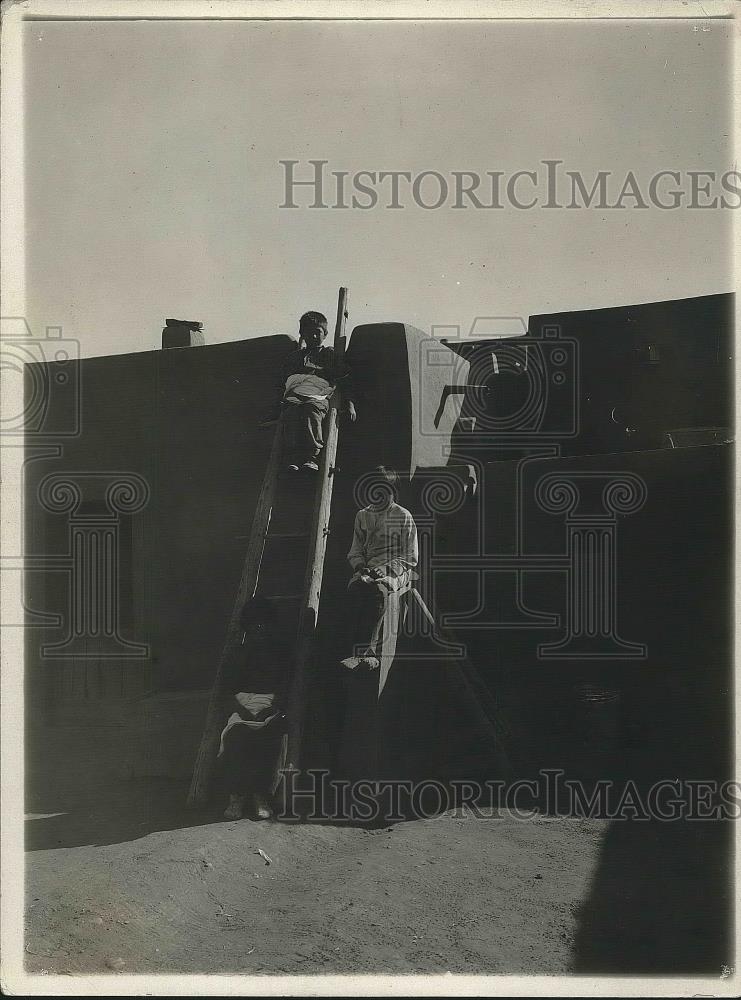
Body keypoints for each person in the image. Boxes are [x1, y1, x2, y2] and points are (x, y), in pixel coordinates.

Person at [218, 596, 290, 821]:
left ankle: (261, 796)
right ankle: (237, 796)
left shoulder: (281, 654)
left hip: (270, 707)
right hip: (242, 707)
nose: (259, 631)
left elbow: (285, 687)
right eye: (254, 626)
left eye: (264, 626)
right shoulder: (237, 654)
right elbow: (226, 691)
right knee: (237, 738)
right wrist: (242, 711)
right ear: (247, 628)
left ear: (271, 627)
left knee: (270, 738)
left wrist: (273, 708)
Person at [341, 466, 418, 671]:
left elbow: (411, 556)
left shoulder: (403, 516)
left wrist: (386, 570)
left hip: (396, 569)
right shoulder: (362, 515)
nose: (380, 494)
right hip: (368, 569)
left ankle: (368, 653)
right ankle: (352, 650)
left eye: (386, 490)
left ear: (393, 490)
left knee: (378, 591)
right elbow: (355, 550)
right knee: (356, 590)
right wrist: (360, 567)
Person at [264, 311, 356, 472]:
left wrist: (349, 403)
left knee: (311, 411)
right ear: (302, 334)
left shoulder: (329, 355)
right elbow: (282, 383)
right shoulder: (294, 358)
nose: (313, 336)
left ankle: (311, 456)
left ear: (325, 334)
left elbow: (345, 379)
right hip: (295, 395)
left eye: (317, 332)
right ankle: (293, 457)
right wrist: (275, 408)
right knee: (291, 413)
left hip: (317, 396)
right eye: (308, 332)